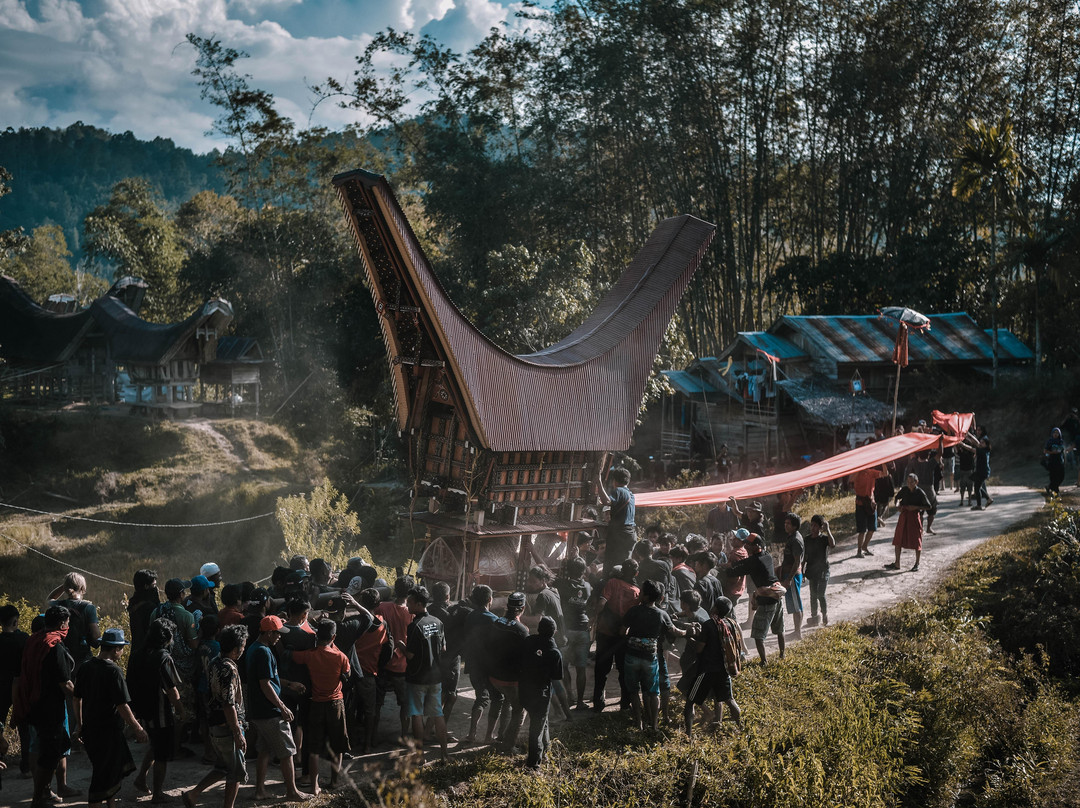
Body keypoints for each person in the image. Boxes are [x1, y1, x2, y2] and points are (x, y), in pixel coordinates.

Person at [73, 628, 148, 808]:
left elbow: (77, 698)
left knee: (109, 772)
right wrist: (138, 728)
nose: (122, 652)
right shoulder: (113, 671)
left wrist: (79, 724)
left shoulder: (86, 666)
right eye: (121, 648)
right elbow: (122, 705)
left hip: (91, 730)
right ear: (115, 649)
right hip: (107, 732)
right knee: (103, 776)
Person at [183, 624, 248, 808]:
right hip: (227, 726)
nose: (242, 649)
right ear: (236, 649)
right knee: (235, 772)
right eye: (242, 646)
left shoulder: (215, 662)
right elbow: (229, 704)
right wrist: (237, 732)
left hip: (215, 724)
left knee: (222, 767)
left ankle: (193, 794)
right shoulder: (229, 669)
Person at [246, 615, 309, 802]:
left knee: (264, 750)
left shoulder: (254, 648)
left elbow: (267, 679)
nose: (280, 637)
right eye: (277, 634)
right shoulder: (264, 652)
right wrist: (282, 707)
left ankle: (259, 790)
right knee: (288, 750)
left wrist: (289, 684)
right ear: (268, 633)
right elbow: (265, 684)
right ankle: (292, 791)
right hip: (269, 711)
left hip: (259, 710)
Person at [16, 604, 74, 808]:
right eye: (67, 623)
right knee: (50, 754)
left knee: (40, 747)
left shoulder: (35, 639)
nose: (68, 627)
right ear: (61, 624)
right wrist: (83, 696)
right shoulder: (54, 645)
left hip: (32, 703)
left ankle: (42, 792)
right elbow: (65, 683)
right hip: (50, 708)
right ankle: (38, 797)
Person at [292, 620, 351, 793]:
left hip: (316, 703)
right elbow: (347, 673)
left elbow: (290, 655)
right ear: (333, 637)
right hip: (336, 704)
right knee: (337, 745)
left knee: (314, 747)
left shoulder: (310, 655)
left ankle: (314, 786)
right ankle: (334, 781)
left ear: (317, 636)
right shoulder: (340, 656)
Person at [129, 618, 183, 804]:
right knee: (162, 753)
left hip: (143, 710)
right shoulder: (163, 658)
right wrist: (181, 711)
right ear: (166, 637)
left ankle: (141, 778)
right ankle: (158, 793)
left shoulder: (137, 654)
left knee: (155, 745)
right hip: (160, 711)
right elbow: (172, 691)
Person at [621, 580, 678, 732]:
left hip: (632, 657)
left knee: (634, 691)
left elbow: (622, 631)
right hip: (650, 658)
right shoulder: (662, 614)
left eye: (641, 591)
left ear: (646, 596)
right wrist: (688, 632)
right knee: (653, 693)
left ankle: (639, 723)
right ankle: (655, 725)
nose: (639, 593)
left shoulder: (633, 611)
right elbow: (673, 631)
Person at [401, 587, 448, 763]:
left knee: (417, 714)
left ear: (419, 604)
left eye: (410, 602)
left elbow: (410, 655)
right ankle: (444, 754)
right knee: (438, 714)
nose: (407, 605)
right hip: (435, 676)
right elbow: (443, 648)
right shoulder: (437, 622)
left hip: (417, 677)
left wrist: (400, 646)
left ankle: (420, 757)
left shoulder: (414, 626)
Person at [683, 597, 742, 737]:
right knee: (730, 700)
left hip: (707, 670)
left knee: (690, 701)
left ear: (715, 608)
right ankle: (741, 728)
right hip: (723, 670)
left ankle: (688, 734)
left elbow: (699, 649)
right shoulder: (731, 623)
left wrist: (690, 638)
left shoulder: (709, 624)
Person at [726, 534, 784, 664]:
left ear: (756, 546)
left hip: (765, 599)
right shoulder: (766, 555)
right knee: (779, 629)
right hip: (776, 595)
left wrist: (727, 567)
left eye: (748, 544)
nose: (745, 545)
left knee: (758, 635)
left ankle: (764, 661)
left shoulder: (754, 561)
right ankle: (782, 654)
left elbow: (735, 571)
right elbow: (744, 564)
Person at [592, 560, 639, 713]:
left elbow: (601, 603)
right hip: (623, 635)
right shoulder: (636, 591)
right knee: (623, 670)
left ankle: (598, 702)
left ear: (621, 570)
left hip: (605, 632)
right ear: (636, 573)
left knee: (601, 669)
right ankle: (625, 702)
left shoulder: (612, 582)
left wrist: (594, 619)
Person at [486, 592, 530, 754]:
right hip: (510, 679)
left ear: (507, 606)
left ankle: (502, 735)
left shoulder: (496, 622)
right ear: (522, 608)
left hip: (493, 676)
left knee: (507, 702)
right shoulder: (521, 630)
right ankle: (508, 746)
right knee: (519, 710)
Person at [519, 616, 563, 769]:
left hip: (524, 690)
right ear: (554, 632)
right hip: (541, 693)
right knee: (536, 728)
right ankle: (533, 763)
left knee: (540, 721)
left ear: (538, 629)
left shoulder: (528, 641)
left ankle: (546, 749)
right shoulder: (555, 652)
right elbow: (556, 676)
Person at [375, 577, 414, 743]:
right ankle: (404, 735)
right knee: (405, 704)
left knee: (377, 703)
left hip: (383, 661)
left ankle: (372, 738)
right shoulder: (412, 613)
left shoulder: (383, 607)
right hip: (402, 664)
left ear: (394, 590)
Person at [554, 557, 591, 710]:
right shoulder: (588, 586)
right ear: (583, 571)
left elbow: (548, 574)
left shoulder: (562, 584)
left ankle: (570, 696)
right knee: (581, 668)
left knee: (564, 666)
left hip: (567, 631)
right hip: (583, 630)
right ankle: (581, 701)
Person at [46, 572, 101, 670]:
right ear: (82, 588)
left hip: (62, 653)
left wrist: (64, 586)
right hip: (82, 656)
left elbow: (50, 598)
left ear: (66, 588)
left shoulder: (58, 605)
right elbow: (96, 635)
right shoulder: (88, 607)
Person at [0, 603, 30, 777]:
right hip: (20, 686)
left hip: (1, 686)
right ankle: (26, 767)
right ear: (16, 621)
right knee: (24, 726)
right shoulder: (23, 639)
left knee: (0, 723)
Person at [886, 473, 932, 572]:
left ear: (916, 482)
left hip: (914, 516)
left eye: (912, 482)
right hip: (904, 515)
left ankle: (917, 563)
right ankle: (897, 563)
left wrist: (916, 507)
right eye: (908, 482)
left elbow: (929, 506)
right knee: (898, 538)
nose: (909, 484)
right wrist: (898, 505)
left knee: (916, 539)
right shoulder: (905, 489)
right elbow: (897, 498)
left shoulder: (920, 492)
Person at [599, 467, 637, 575]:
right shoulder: (630, 494)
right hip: (630, 534)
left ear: (614, 480)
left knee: (611, 568)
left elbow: (606, 501)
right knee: (625, 567)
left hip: (619, 535)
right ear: (628, 481)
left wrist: (598, 483)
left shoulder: (618, 491)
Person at [803, 515, 835, 627]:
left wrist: (828, 530)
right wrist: (802, 571)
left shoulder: (824, 539)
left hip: (823, 570)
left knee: (820, 594)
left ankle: (824, 614)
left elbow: (833, 544)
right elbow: (805, 557)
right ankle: (814, 616)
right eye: (811, 525)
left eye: (815, 526)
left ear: (821, 527)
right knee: (813, 595)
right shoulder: (807, 539)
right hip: (812, 571)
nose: (813, 528)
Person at [778, 513, 805, 640]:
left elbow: (797, 561)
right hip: (790, 574)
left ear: (794, 526)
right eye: (785, 523)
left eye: (788, 523)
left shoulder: (795, 540)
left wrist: (789, 578)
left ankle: (797, 632)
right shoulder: (791, 537)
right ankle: (797, 630)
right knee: (796, 603)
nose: (785, 525)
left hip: (792, 575)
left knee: (796, 604)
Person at [852, 458, 885, 557]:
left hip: (871, 503)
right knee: (861, 530)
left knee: (872, 528)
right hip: (860, 504)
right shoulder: (856, 473)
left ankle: (864, 547)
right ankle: (859, 551)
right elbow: (851, 479)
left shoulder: (871, 472)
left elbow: (885, 473)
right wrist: (858, 470)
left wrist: (884, 462)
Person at [127, 570, 160, 658]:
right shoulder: (149, 607)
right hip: (148, 654)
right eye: (154, 585)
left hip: (135, 651)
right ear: (146, 586)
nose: (156, 588)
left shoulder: (133, 602)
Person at [1044, 427, 1066, 496]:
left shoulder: (1061, 441)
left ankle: (1049, 487)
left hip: (1060, 461)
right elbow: (1045, 451)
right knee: (1054, 477)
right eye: (1054, 432)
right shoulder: (1050, 441)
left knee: (1061, 476)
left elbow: (1063, 451)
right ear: (1052, 433)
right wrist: (1053, 452)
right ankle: (1056, 492)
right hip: (1052, 461)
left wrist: (1065, 460)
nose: (1056, 434)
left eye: (1057, 433)